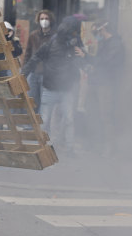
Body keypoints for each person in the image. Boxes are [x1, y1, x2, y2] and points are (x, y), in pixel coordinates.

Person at [22, 16, 85, 153]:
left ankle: (69, 147)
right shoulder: (52, 43)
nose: (75, 36)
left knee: (68, 120)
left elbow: (82, 64)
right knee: (45, 120)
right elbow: (34, 58)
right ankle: (42, 147)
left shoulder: (76, 44)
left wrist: (83, 56)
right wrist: (22, 75)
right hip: (50, 88)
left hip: (66, 89)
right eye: (74, 33)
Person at [84, 20, 125, 155]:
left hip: (106, 84)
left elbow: (106, 62)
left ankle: (110, 148)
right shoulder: (102, 43)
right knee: (92, 113)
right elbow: (98, 63)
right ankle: (95, 144)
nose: (96, 35)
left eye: (96, 32)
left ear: (103, 30)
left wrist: (87, 57)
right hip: (95, 82)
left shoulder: (116, 44)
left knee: (105, 116)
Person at [24, 10, 55, 113]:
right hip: (33, 72)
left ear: (50, 20)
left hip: (46, 74)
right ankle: (30, 126)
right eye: (42, 19)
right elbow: (28, 54)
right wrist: (24, 71)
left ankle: (41, 126)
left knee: (44, 101)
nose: (44, 21)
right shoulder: (33, 35)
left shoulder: (54, 36)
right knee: (32, 100)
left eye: (46, 18)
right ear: (38, 20)